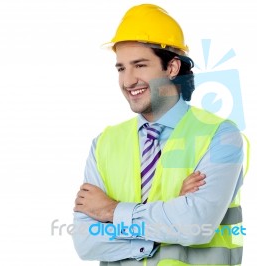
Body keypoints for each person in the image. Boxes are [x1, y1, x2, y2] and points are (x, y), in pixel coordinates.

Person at [72, 4, 244, 266]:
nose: (128, 81)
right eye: (121, 68)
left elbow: (196, 225)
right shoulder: (104, 144)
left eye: (140, 65)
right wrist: (171, 218)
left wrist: (112, 211)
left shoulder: (219, 135)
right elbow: (86, 241)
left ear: (172, 68)